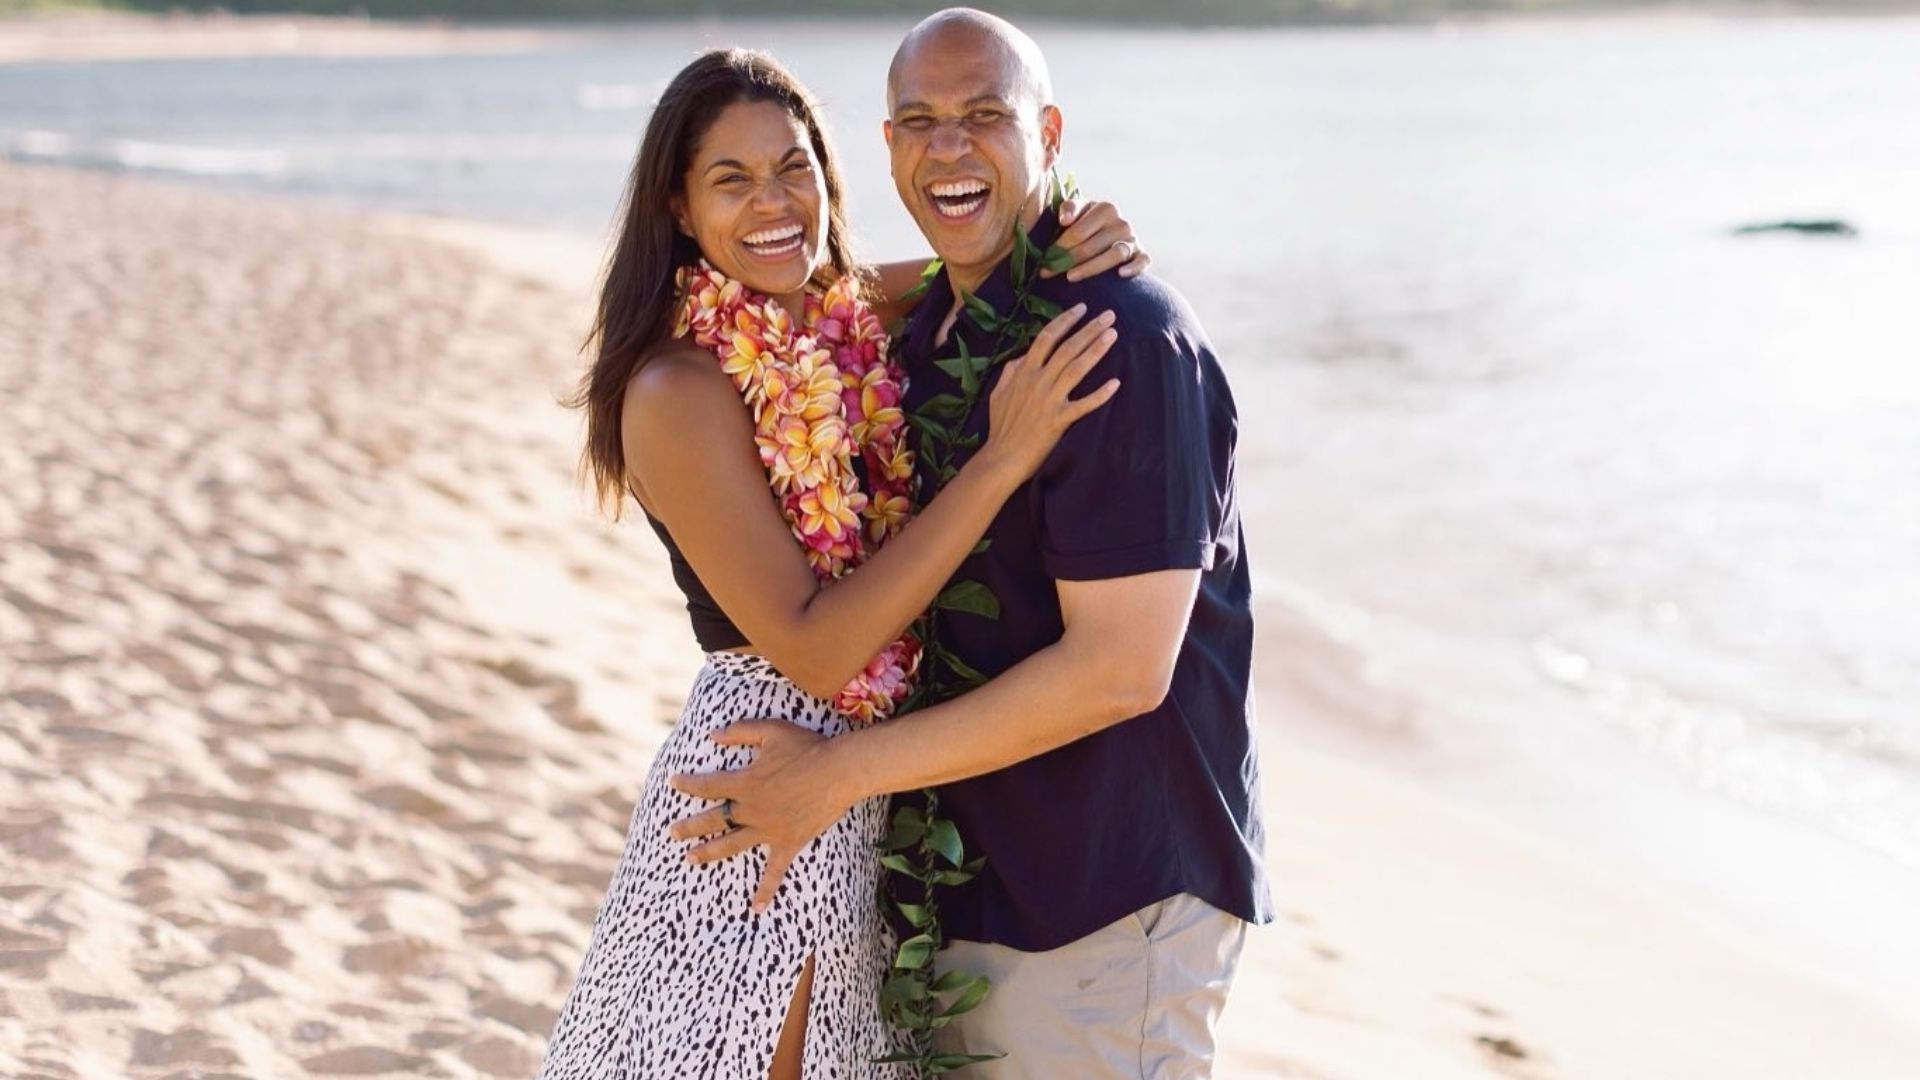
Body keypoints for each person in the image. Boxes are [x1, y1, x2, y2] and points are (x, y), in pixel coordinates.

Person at [670, 10, 1271, 1078]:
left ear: (1046, 130)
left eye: (984, 116)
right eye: (921, 121)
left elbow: (1121, 672)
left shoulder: (1117, 341)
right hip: (957, 900)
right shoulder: (916, 339)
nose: (950, 148)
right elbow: (813, 293)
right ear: (888, 147)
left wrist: (838, 775)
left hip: (1102, 899)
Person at [539, 46, 1148, 1080]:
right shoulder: (678, 390)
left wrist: (1065, 233)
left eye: (795, 168)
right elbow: (820, 649)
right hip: (765, 776)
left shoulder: (828, 318)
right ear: (681, 211)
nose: (774, 204)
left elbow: (962, 271)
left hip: (864, 779)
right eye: (731, 181)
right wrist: (1001, 460)